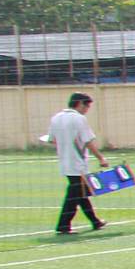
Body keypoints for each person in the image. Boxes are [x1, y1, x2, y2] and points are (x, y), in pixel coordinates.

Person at [48, 92, 109, 233]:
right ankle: (63, 225)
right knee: (74, 195)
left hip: (65, 162)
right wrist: (101, 158)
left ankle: (95, 221)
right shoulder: (79, 119)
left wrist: (65, 145)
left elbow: (51, 139)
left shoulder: (56, 118)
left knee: (81, 193)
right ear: (80, 103)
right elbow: (87, 141)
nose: (87, 109)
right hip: (78, 164)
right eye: (87, 106)